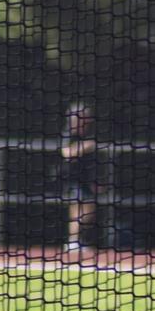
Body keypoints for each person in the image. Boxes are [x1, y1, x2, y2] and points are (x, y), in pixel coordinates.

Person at [58, 103, 103, 252]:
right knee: (77, 210)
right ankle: (73, 241)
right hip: (72, 178)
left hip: (85, 179)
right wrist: (85, 147)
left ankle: (78, 240)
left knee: (89, 210)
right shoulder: (68, 133)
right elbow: (66, 153)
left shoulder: (88, 134)